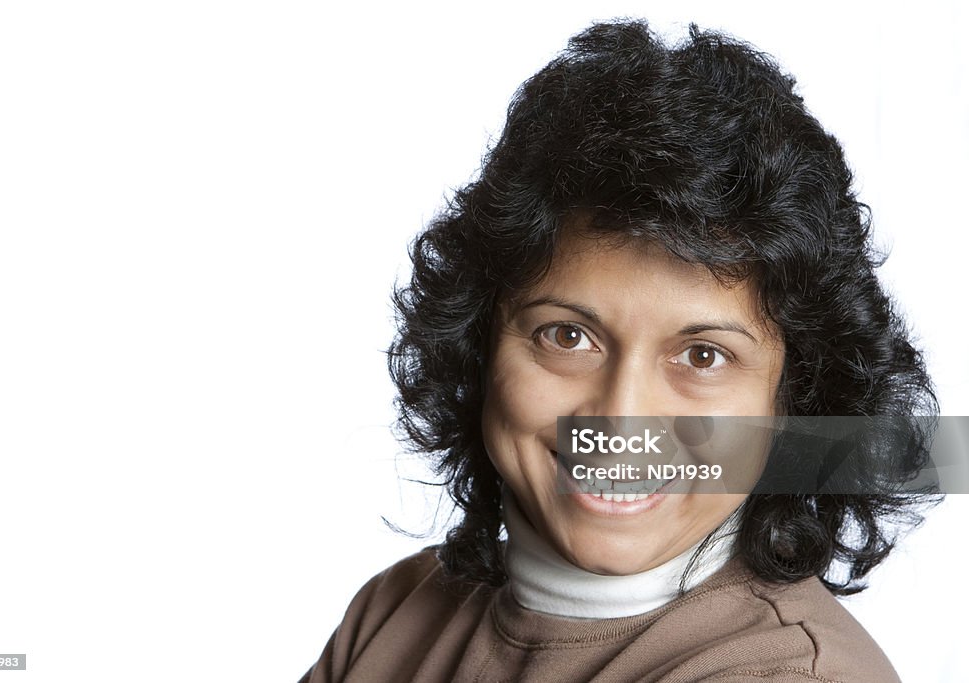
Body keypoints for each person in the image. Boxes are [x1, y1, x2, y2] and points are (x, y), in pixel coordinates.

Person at [303, 19, 937, 682]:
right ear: (479, 344)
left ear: (791, 399)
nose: (621, 416)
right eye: (568, 336)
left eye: (702, 356)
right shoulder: (395, 614)